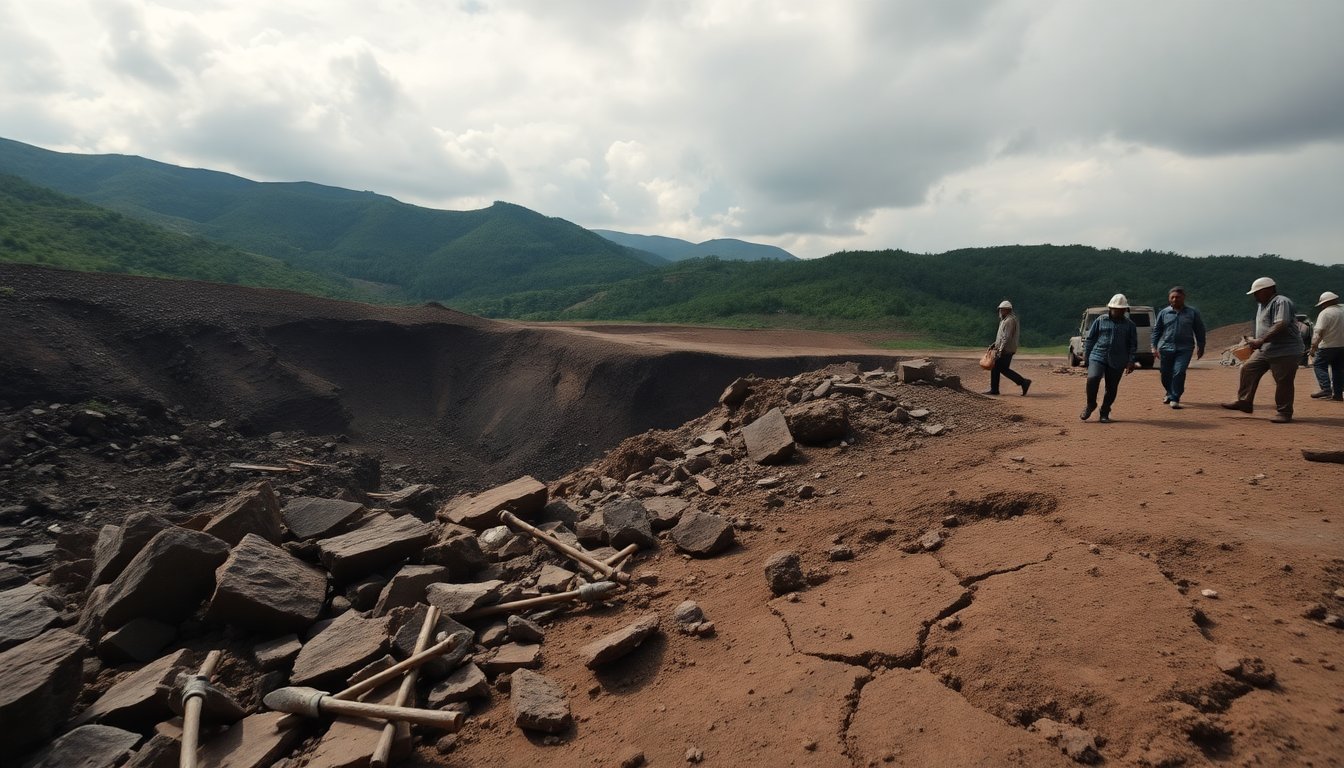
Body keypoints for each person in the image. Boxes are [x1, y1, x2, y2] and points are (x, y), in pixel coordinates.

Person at [1222, 277, 1304, 423]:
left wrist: (1261, 340)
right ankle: (1244, 401)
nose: (1255, 296)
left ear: (1269, 289)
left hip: (1285, 350)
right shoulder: (1262, 305)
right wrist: (1255, 340)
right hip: (1266, 348)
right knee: (1248, 368)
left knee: (1283, 381)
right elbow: (1265, 325)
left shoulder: (1281, 301)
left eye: (1257, 292)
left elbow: (1281, 323)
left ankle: (1284, 412)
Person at [1080, 294, 1137, 423]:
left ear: (1125, 310)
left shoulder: (1130, 325)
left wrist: (1131, 361)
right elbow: (1091, 339)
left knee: (1111, 387)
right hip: (1098, 355)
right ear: (1110, 308)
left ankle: (1104, 412)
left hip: (1118, 358)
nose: (1119, 311)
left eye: (1122, 309)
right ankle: (1091, 404)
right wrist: (1086, 355)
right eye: (1116, 309)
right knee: (1093, 378)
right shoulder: (1101, 320)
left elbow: (1133, 344)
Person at [1149, 286, 1207, 410]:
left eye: (1178, 297)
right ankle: (1169, 392)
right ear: (1169, 299)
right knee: (1165, 374)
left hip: (1185, 348)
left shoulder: (1192, 313)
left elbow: (1199, 330)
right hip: (1166, 347)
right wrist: (1153, 346)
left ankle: (1175, 397)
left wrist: (1201, 346)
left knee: (1179, 372)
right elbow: (1157, 330)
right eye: (1172, 297)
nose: (1175, 299)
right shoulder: (1164, 313)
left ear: (1183, 298)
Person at [984, 300, 1031, 396]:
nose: (1000, 312)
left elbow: (1006, 337)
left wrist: (1000, 350)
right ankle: (995, 389)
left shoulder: (1009, 321)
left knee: (999, 368)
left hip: (1006, 350)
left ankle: (1022, 382)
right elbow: (1001, 337)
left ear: (1008, 310)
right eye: (1000, 310)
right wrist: (994, 344)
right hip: (1004, 349)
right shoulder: (1005, 320)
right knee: (999, 368)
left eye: (1002, 310)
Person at [1309, 291, 1344, 401]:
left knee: (1319, 365)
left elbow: (1319, 333)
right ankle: (1338, 394)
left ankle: (1326, 388)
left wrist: (1313, 348)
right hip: (1342, 346)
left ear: (1326, 303)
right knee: (1338, 369)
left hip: (1328, 346)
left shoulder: (1325, 313)